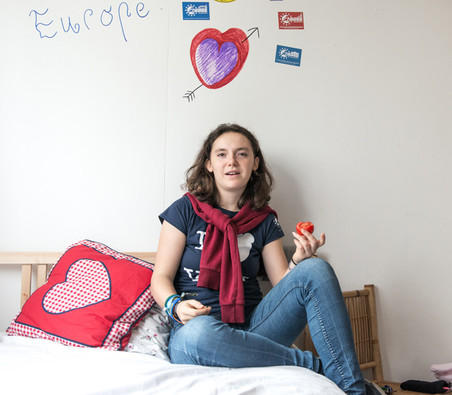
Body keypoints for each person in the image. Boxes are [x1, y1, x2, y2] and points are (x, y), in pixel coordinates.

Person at [151, 123, 368, 394]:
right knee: (198, 333)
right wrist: (175, 306)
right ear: (208, 164)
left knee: (316, 268)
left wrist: (300, 260)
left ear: (255, 163)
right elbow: (160, 278)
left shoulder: (264, 219)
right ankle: (318, 366)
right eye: (221, 154)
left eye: (241, 154)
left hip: (256, 328)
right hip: (197, 330)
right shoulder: (184, 210)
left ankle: (353, 389)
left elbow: (283, 284)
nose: (231, 161)